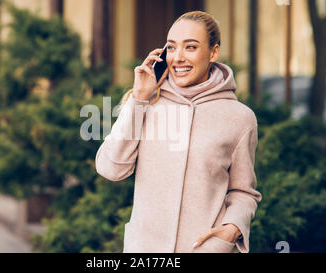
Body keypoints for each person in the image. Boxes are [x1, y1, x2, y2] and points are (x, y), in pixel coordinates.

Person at [95, 10, 262, 253]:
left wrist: (232, 228)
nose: (178, 58)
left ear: (213, 52)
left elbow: (243, 191)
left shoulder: (239, 118)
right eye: (171, 47)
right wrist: (139, 99)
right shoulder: (147, 103)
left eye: (191, 47)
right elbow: (111, 169)